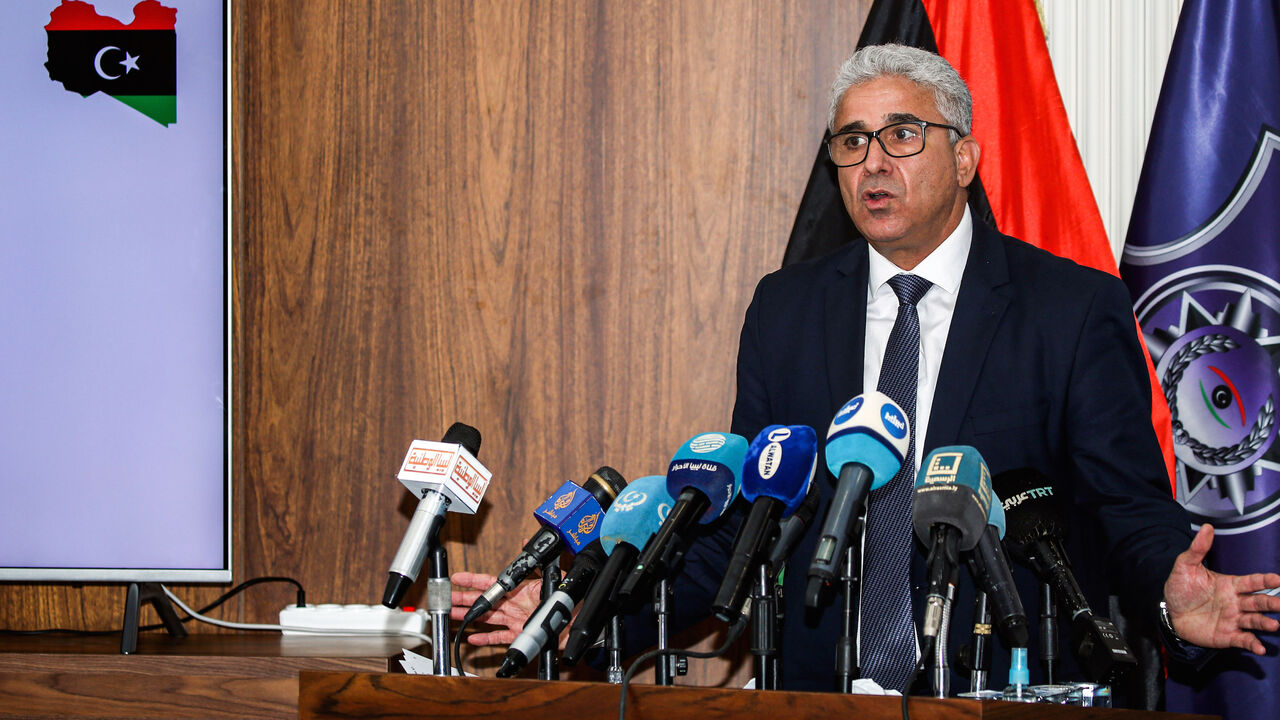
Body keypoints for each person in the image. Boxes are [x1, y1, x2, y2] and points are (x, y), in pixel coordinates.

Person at [452, 44, 1280, 697]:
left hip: (999, 687)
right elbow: (748, 520)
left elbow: (1119, 504)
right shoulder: (787, 310)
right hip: (820, 692)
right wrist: (576, 615)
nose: (874, 162)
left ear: (965, 159)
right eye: (852, 142)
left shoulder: (1068, 309)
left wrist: (1173, 592)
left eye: (902, 135)